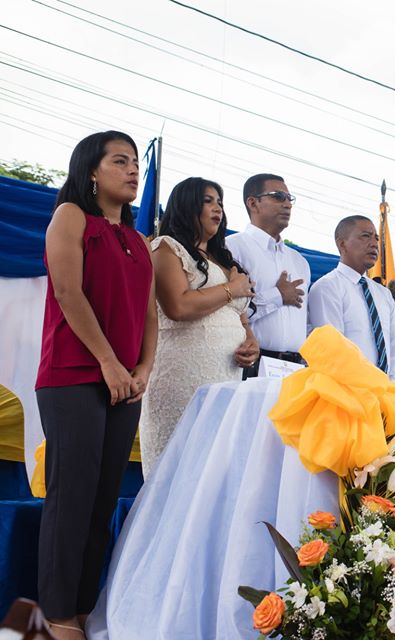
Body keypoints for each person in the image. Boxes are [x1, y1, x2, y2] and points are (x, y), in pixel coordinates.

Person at [34, 131, 157, 640]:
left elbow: (149, 313)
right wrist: (108, 361)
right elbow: (68, 292)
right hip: (73, 376)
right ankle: (54, 615)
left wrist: (144, 368)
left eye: (135, 164)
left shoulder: (138, 239)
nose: (132, 171)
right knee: (72, 497)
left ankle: (83, 609)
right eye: (119, 161)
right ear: (91, 170)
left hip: (125, 383)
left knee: (103, 499)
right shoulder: (71, 217)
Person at [140, 177, 258, 478]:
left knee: (213, 471)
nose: (217, 208)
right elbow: (178, 306)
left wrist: (250, 341)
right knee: (180, 468)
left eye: (220, 202)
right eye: (208, 201)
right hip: (183, 375)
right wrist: (233, 288)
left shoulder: (222, 259)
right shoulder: (166, 248)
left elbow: (239, 316)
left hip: (226, 376)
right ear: (186, 205)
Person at [225, 174, 310, 375]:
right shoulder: (232, 248)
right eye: (278, 196)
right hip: (249, 363)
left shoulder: (299, 261)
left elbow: (306, 322)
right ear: (253, 203)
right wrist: (278, 295)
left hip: (296, 368)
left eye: (290, 199)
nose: (287, 204)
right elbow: (226, 314)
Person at [307, 216, 395, 381]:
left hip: (385, 390)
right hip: (347, 386)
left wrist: (392, 384)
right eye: (365, 236)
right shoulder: (327, 287)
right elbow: (332, 349)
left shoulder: (384, 294)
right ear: (342, 244)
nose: (374, 244)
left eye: (376, 238)